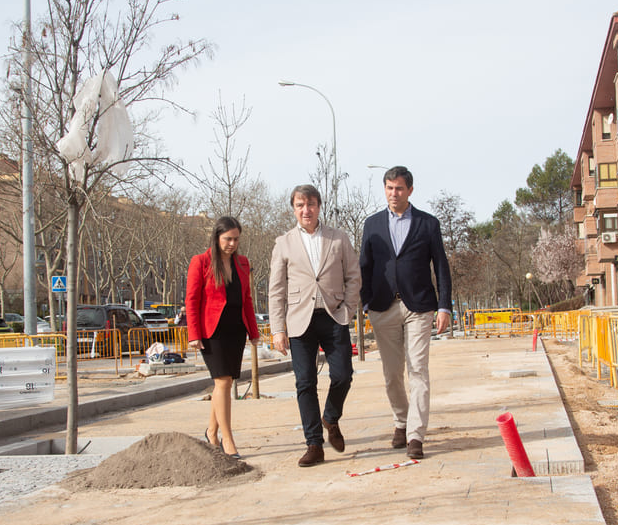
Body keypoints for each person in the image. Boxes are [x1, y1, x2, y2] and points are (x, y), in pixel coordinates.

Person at [360, 166, 452, 460]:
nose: (393, 194)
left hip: (419, 307)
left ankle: (415, 435)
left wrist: (444, 305)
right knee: (391, 374)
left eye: (399, 188)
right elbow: (364, 266)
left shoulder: (428, 224)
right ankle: (401, 420)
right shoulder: (372, 224)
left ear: (410, 190)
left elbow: (440, 266)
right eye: (389, 188)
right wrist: (364, 302)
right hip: (382, 308)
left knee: (418, 371)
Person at [269, 185, 361, 467]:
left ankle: (330, 417)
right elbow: (276, 289)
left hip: (334, 316)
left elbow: (354, 277)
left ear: (319, 206)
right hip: (299, 320)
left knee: (343, 374)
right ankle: (314, 443)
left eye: (310, 204)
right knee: (305, 382)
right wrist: (278, 328)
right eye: (300, 205)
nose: (305, 210)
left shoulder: (338, 238)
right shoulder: (283, 243)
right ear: (293, 209)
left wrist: (347, 308)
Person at [186, 216, 261, 459]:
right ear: (217, 238)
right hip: (212, 331)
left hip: (236, 329)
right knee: (222, 382)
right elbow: (192, 300)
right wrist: (193, 334)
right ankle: (228, 439)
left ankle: (211, 432)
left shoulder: (243, 263)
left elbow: (247, 298)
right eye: (227, 239)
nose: (232, 244)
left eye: (236, 239)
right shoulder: (201, 262)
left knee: (225, 382)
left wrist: (253, 332)